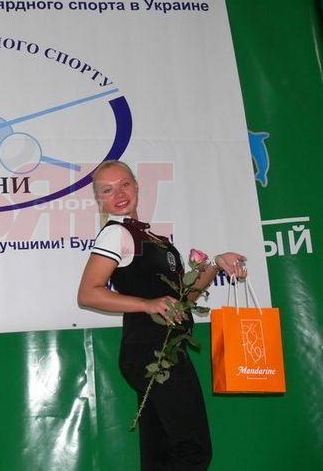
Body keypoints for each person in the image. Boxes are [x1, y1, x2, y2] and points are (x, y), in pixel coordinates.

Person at [77, 160, 247, 471]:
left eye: (124, 184)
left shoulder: (157, 241)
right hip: (151, 351)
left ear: (137, 186)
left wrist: (215, 265)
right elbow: (88, 293)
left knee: (161, 455)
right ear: (99, 199)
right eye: (108, 190)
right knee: (192, 449)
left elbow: (184, 300)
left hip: (163, 349)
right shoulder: (115, 235)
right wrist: (147, 304)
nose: (119, 194)